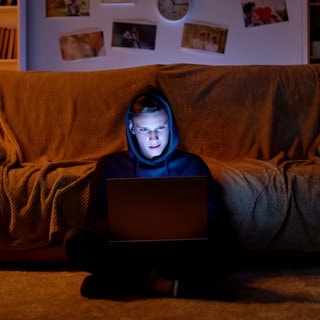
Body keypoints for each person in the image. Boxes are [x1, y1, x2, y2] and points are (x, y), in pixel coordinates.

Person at [64, 85, 238, 301]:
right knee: (76, 240)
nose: (154, 138)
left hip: (178, 252)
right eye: (145, 130)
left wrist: (182, 225)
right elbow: (94, 220)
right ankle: (168, 286)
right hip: (129, 252)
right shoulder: (109, 166)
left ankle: (126, 283)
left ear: (170, 126)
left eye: (161, 128)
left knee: (229, 243)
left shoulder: (193, 164)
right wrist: (128, 227)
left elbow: (213, 216)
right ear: (132, 127)